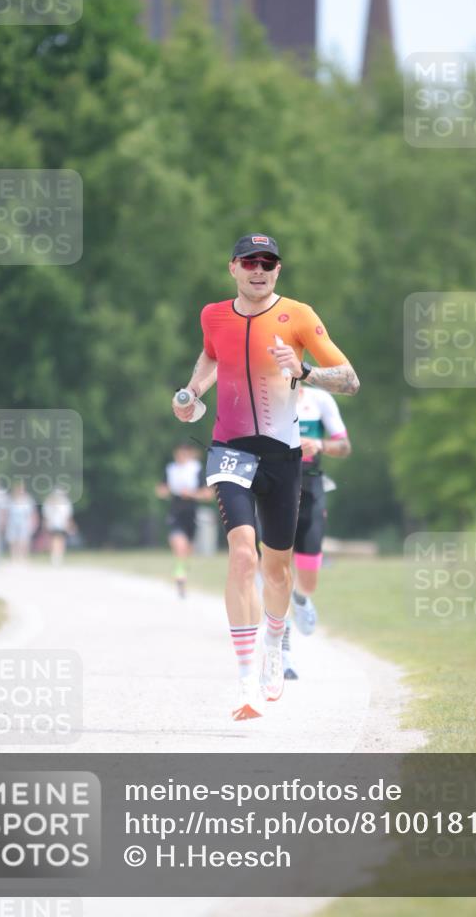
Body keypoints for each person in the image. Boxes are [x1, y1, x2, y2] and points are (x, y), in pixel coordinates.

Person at [173, 233, 359, 720]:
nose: (259, 270)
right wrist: (192, 392)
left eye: (268, 263)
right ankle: (245, 683)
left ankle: (274, 646)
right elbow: (212, 355)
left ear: (278, 270)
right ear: (233, 267)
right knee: (242, 556)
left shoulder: (299, 315)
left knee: (277, 571)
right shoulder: (213, 315)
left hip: (283, 457)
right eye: (250, 262)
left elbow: (350, 380)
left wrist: (305, 371)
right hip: (230, 450)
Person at [282, 385, 352, 680]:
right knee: (277, 572)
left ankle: (300, 599)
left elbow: (344, 447)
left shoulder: (320, 399)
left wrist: (319, 445)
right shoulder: (262, 397)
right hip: (276, 488)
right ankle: (283, 651)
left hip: (311, 487)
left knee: (308, 578)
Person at [155, 444, 213, 597]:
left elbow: (208, 494)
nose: (180, 457)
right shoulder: (171, 469)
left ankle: (181, 570)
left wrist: (191, 494)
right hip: (175, 513)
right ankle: (180, 577)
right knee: (179, 546)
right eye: (178, 454)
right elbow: (160, 489)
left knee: (187, 550)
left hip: (192, 514)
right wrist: (164, 491)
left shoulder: (196, 469)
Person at [5, 480, 38, 562]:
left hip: (24, 521)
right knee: (13, 540)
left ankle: (23, 557)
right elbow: (6, 512)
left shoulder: (28, 499)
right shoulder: (10, 499)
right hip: (12, 521)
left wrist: (34, 522)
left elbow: (33, 512)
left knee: (24, 540)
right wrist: (5, 521)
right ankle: (14, 557)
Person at [42, 487, 74, 566]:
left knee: (61, 540)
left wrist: (69, 525)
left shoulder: (66, 503)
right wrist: (46, 523)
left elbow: (68, 516)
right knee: (54, 540)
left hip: (62, 524)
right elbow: (46, 515)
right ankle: (54, 556)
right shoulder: (49, 502)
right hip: (53, 524)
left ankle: (59, 556)